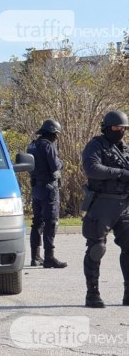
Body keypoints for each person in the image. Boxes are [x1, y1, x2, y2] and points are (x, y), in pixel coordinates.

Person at [82, 110, 129, 308]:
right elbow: (92, 168)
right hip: (102, 203)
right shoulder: (95, 145)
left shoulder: (125, 149)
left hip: (124, 204)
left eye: (124, 129)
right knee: (96, 249)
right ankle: (92, 294)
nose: (121, 132)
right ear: (107, 128)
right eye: (117, 128)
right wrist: (120, 174)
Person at [27, 119, 67, 268]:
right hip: (49, 189)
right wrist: (61, 162)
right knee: (51, 222)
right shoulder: (48, 145)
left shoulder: (32, 145)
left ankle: (35, 257)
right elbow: (55, 165)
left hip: (36, 187)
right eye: (56, 134)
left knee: (37, 222)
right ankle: (49, 257)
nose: (57, 137)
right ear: (52, 133)